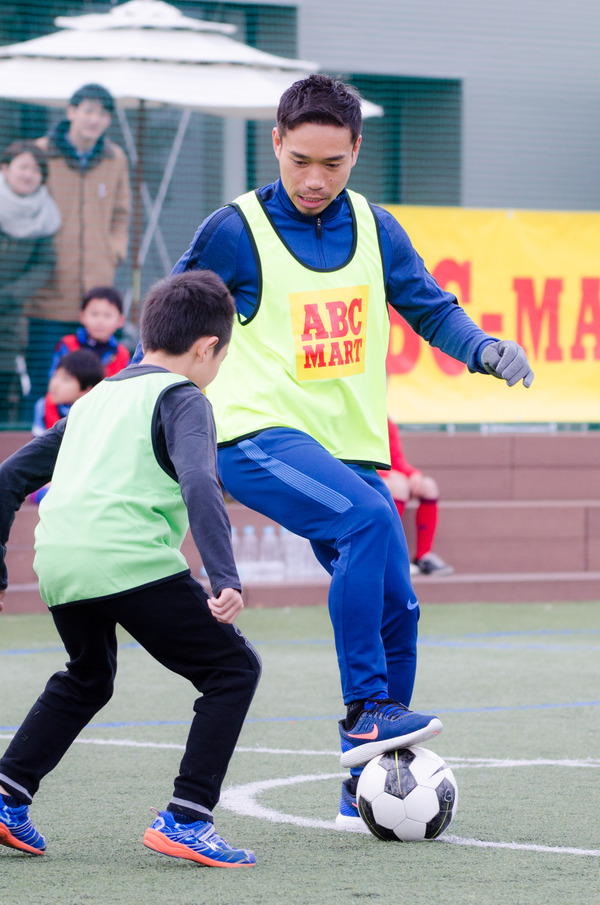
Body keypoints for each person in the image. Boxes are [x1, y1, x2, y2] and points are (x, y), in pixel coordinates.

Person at [135, 74, 534, 832]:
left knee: (398, 604)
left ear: (356, 151)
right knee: (369, 519)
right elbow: (171, 318)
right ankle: (365, 712)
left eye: (334, 164)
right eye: (301, 162)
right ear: (277, 142)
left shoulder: (376, 228)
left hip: (346, 449)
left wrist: (481, 347)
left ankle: (366, 789)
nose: (315, 180)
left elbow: (428, 306)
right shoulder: (234, 229)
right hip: (253, 435)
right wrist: (135, 406)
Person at [0, 270, 261, 868]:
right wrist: (225, 576)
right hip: (128, 558)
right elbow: (200, 478)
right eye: (221, 358)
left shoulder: (96, 400)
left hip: (61, 563)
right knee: (232, 669)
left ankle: (7, 792)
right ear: (206, 349)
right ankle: (188, 818)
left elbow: (9, 477)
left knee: (88, 677)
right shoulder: (184, 395)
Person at [27, 83, 131, 411]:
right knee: (46, 384)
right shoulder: (41, 152)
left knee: (95, 392)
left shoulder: (115, 158)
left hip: (96, 293)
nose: (94, 119)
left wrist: (113, 250)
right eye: (87, 111)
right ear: (71, 112)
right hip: (48, 292)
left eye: (102, 114)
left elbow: (122, 212)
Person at [0, 140, 61, 424]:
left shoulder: (44, 217)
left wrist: (12, 295)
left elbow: (44, 264)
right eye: (23, 166)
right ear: (5, 168)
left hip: (9, 316)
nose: (29, 174)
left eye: (37, 170)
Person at [379, 418, 453, 577]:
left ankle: (423, 557)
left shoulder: (387, 422)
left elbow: (396, 458)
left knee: (428, 486)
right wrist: (389, 474)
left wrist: (412, 474)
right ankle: (387, 557)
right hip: (361, 475)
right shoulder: (357, 414)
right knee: (399, 486)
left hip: (389, 475)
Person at [49, 286, 130, 380]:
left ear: (120, 320)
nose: (100, 321)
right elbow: (56, 381)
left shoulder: (122, 354)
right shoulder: (67, 345)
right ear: (82, 316)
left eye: (107, 315)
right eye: (94, 314)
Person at [32, 349, 105, 437]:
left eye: (66, 380)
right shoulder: (42, 407)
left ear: (87, 390)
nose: (55, 384)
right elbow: (38, 448)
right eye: (55, 376)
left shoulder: (97, 414)